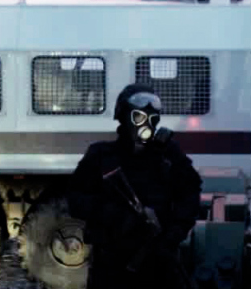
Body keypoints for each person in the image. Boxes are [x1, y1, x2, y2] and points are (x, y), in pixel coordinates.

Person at [67, 84, 203, 289]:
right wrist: (117, 216)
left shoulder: (167, 155)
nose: (146, 125)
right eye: (138, 117)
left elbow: (190, 192)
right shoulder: (101, 156)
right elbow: (75, 199)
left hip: (158, 261)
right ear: (124, 117)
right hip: (112, 262)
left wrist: (173, 234)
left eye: (152, 119)